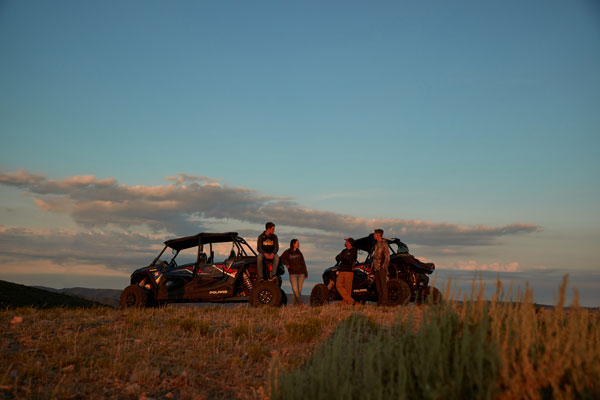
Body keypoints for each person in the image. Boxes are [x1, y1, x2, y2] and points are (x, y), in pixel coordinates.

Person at [280, 239, 308, 305]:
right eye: (297, 243)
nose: (298, 244)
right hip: (293, 274)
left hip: (301, 273)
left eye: (298, 243)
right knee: (295, 289)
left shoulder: (299, 252)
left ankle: (296, 306)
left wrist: (305, 273)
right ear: (293, 244)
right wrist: (286, 263)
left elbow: (303, 263)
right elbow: (281, 258)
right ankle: (301, 303)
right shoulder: (287, 252)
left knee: (299, 291)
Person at [335, 237, 357, 306]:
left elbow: (350, 260)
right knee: (338, 285)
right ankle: (352, 301)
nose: (345, 242)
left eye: (346, 241)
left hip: (349, 272)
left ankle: (345, 305)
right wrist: (344, 257)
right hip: (341, 271)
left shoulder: (354, 251)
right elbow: (337, 257)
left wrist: (343, 258)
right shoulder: (344, 250)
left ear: (349, 243)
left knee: (348, 289)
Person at [372, 228, 390, 306]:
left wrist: (383, 267)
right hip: (376, 268)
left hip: (381, 268)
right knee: (378, 286)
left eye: (374, 234)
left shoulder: (384, 244)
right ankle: (380, 302)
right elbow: (375, 257)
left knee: (383, 285)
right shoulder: (376, 245)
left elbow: (387, 257)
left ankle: (384, 302)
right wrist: (373, 266)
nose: (373, 235)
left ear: (378, 235)